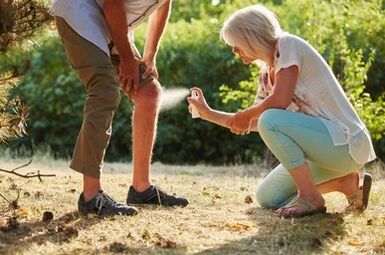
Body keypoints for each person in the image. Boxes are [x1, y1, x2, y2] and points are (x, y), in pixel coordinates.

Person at [187, 5, 376, 218]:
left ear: (251, 37)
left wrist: (248, 114)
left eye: (236, 44)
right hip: (323, 153)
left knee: (269, 118)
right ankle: (346, 183)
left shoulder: (288, 44)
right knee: (268, 197)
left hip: (347, 146)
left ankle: (310, 197)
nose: (234, 51)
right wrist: (207, 113)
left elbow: (277, 103)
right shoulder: (266, 76)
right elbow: (254, 123)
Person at [50, 0, 188, 216]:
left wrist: (149, 55)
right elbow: (112, 4)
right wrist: (126, 58)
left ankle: (141, 188)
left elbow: (163, 3)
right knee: (104, 92)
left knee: (149, 93)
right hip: (80, 12)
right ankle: (91, 197)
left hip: (112, 23)